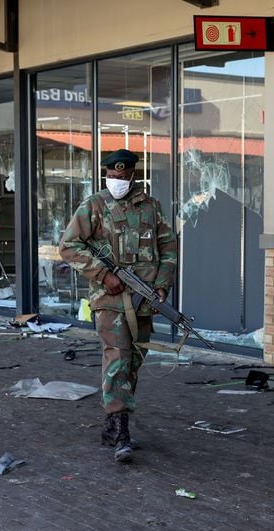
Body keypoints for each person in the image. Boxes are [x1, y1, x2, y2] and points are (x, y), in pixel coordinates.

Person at [59, 149, 177, 463]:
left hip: (143, 299)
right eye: (112, 176)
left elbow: (168, 247)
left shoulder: (152, 208)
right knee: (119, 357)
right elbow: (68, 246)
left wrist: (162, 284)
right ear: (106, 174)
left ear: (133, 176)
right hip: (108, 299)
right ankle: (121, 429)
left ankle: (112, 424)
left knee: (134, 360)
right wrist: (102, 273)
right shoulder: (94, 206)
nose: (117, 181)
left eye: (123, 177)